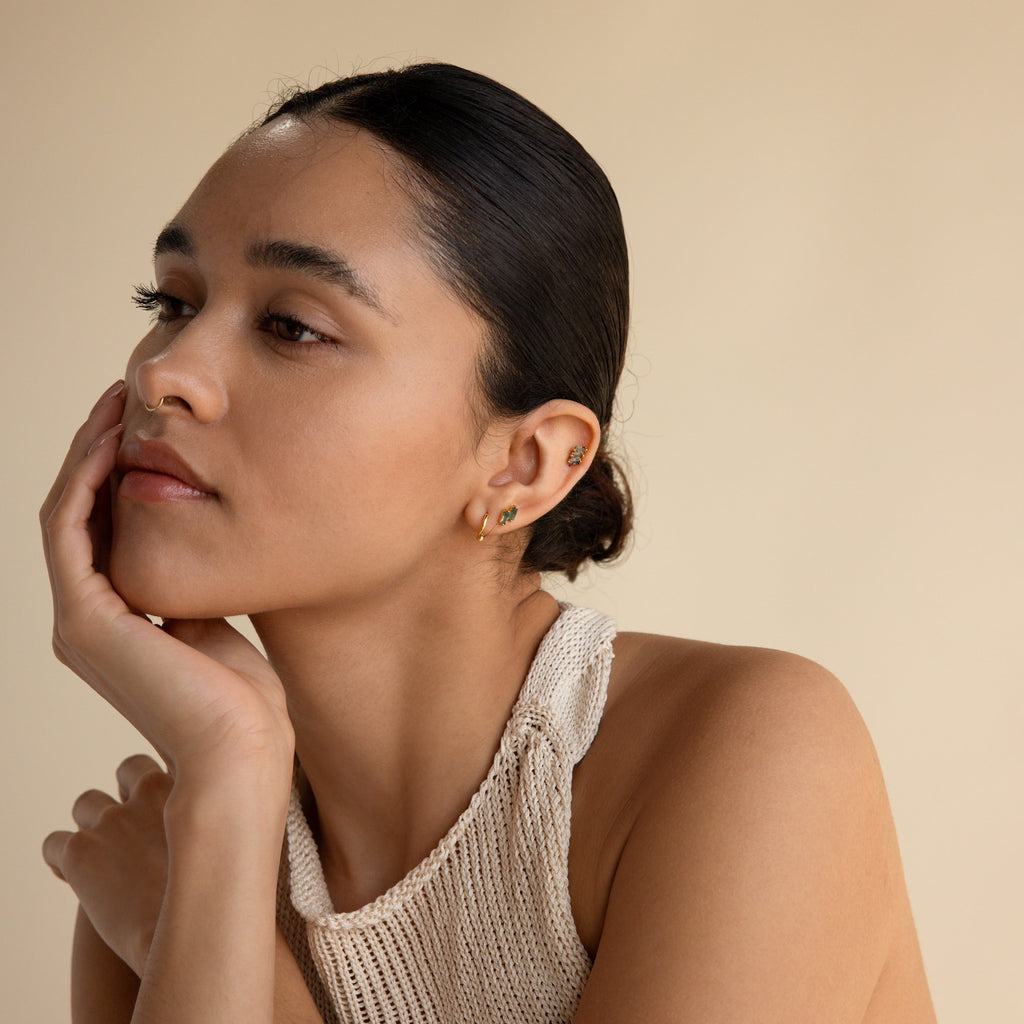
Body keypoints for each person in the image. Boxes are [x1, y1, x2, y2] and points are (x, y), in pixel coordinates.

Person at [39, 63, 935, 1023]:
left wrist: (210, 943)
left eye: (292, 326)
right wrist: (227, 771)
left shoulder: (753, 750)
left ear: (525, 464)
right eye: (172, 303)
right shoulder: (186, 839)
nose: (166, 372)